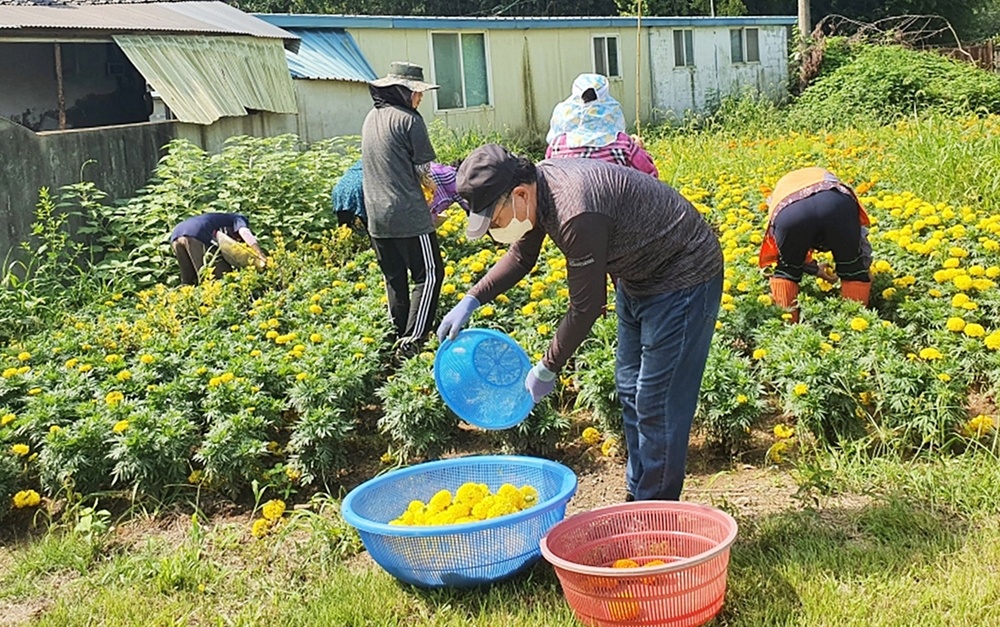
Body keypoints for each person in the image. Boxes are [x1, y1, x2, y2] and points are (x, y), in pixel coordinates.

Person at [437, 144, 723, 502]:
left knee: (657, 400)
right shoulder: (536, 190)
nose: (497, 230)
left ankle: (655, 515)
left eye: (495, 220)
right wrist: (472, 298)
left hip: (683, 275)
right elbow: (522, 256)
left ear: (519, 194)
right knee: (630, 389)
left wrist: (548, 366)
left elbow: (586, 308)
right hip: (639, 275)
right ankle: (640, 499)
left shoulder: (575, 211)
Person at [362, 61, 445, 357]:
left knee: (395, 278)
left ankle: (396, 336)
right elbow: (423, 169)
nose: (420, 98)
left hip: (376, 216)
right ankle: (413, 340)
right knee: (431, 274)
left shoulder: (372, 117)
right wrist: (435, 190)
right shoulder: (410, 120)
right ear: (401, 91)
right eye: (417, 93)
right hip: (406, 213)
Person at [758, 167, 872, 322]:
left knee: (787, 270)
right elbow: (859, 238)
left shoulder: (779, 192)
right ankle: (855, 327)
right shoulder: (828, 179)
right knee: (852, 267)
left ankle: (787, 329)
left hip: (789, 210)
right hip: (835, 203)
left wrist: (810, 267)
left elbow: (791, 245)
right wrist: (862, 268)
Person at [545, 73, 658, 178]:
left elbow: (548, 178)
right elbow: (651, 176)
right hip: (615, 198)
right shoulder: (623, 144)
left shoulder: (557, 146)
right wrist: (638, 149)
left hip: (567, 198)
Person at [169, 212, 266, 285]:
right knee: (216, 275)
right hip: (197, 234)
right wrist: (259, 254)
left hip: (176, 235)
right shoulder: (237, 218)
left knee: (188, 279)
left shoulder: (217, 219)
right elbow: (244, 232)